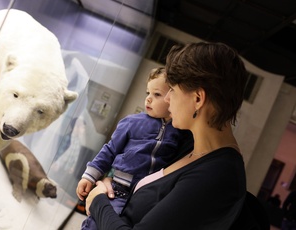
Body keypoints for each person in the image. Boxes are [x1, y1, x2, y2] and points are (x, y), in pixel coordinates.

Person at [85, 42, 249, 229]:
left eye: (173, 90)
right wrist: (112, 182)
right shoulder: (188, 144)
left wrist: (98, 201)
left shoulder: (216, 174)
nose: (168, 98)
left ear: (197, 99)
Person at [76, 67, 193, 230]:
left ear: (172, 97)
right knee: (97, 224)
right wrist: (89, 176)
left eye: (157, 94)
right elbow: (110, 150)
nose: (149, 99)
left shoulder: (180, 132)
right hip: (118, 189)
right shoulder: (132, 122)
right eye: (148, 93)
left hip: (145, 196)